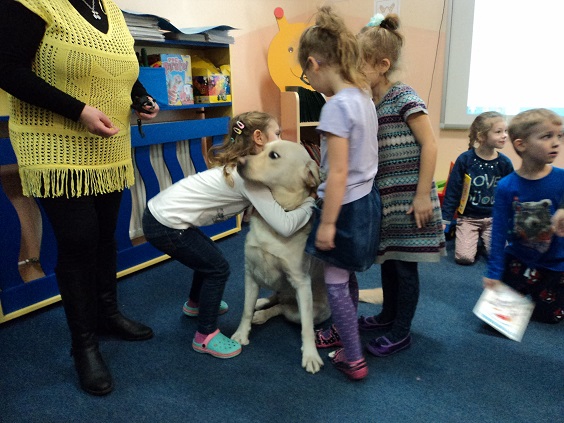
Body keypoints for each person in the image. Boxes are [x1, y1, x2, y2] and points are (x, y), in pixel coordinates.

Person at [0, 0, 160, 396]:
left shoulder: (111, 10)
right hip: (55, 143)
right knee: (79, 240)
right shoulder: (33, 3)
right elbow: (7, 69)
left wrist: (140, 96)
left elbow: (117, 69)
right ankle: (84, 345)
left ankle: (107, 314)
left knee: (106, 235)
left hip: (109, 145)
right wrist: (79, 110)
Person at [142, 111, 316, 360]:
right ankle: (205, 336)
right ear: (259, 137)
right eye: (277, 133)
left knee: (207, 257)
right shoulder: (250, 178)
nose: (281, 138)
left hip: (160, 214)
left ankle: (195, 304)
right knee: (217, 268)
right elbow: (285, 226)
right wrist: (309, 205)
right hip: (166, 224)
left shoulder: (242, 166)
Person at [356, 13, 446, 357]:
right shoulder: (371, 102)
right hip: (388, 201)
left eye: (360, 63)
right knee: (391, 261)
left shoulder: (403, 95)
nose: (354, 69)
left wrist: (422, 195)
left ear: (383, 65)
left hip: (411, 199)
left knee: (405, 267)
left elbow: (430, 144)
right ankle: (387, 316)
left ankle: (401, 331)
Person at [298, 7, 380, 380]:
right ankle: (343, 333)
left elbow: (338, 172)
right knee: (345, 272)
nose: (310, 82)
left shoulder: (335, 108)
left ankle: (353, 356)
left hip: (343, 206)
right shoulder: (363, 97)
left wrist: (328, 223)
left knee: (333, 281)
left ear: (314, 64)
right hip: (367, 201)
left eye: (306, 75)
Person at [484, 108, 564, 324]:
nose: (556, 143)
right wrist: (494, 272)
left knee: (548, 318)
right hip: (518, 259)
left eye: (559, 136)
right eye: (547, 136)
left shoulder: (561, 178)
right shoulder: (506, 186)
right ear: (521, 145)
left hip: (555, 263)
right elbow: (498, 232)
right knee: (497, 318)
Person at [441, 111, 514, 264]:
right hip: (469, 218)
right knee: (464, 258)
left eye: (506, 131)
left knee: (501, 257)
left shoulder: (505, 163)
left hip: (494, 219)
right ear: (481, 136)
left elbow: (511, 193)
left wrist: (510, 219)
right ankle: (470, 236)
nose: (505, 136)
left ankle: (483, 238)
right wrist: (445, 219)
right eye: (498, 132)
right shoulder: (465, 160)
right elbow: (453, 191)